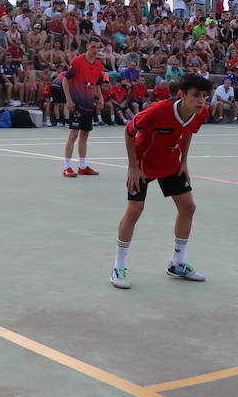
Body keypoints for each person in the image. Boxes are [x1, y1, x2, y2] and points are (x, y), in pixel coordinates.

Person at [113, 73, 213, 289]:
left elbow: (187, 133)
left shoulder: (201, 113)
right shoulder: (159, 110)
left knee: (188, 207)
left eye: (204, 96)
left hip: (170, 163)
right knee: (134, 210)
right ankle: (118, 267)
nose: (201, 100)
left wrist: (184, 161)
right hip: (143, 164)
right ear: (182, 94)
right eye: (196, 95)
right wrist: (132, 166)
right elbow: (129, 131)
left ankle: (177, 263)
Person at [60, 37, 109, 177]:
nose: (95, 50)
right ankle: (67, 167)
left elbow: (97, 84)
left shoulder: (99, 65)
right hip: (76, 103)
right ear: (87, 46)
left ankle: (82, 166)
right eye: (93, 47)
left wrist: (100, 98)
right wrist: (69, 100)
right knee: (74, 134)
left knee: (85, 135)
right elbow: (65, 80)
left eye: (98, 48)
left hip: (89, 104)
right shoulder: (77, 62)